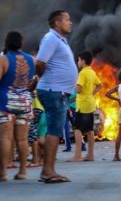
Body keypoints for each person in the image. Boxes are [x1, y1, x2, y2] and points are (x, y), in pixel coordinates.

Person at [31, 10, 78, 183]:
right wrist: (40, 79)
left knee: (55, 130)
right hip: (54, 91)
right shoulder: (50, 38)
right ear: (57, 23)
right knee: (54, 131)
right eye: (67, 20)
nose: (70, 23)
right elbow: (40, 62)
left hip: (57, 91)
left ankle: (48, 170)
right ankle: (48, 171)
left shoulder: (60, 40)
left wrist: (37, 81)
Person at [0, 31, 35, 181]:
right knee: (22, 139)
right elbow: (38, 78)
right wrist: (29, 88)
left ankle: (3, 172)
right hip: (25, 102)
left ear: (7, 43)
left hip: (6, 102)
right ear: (21, 43)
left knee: (5, 138)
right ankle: (22, 171)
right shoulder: (32, 60)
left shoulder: (3, 60)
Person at [67, 51, 101, 162]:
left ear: (83, 61)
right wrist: (92, 93)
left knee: (77, 129)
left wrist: (74, 87)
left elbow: (79, 89)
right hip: (91, 104)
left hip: (83, 105)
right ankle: (90, 155)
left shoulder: (82, 73)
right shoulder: (92, 72)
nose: (78, 62)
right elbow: (99, 85)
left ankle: (77, 156)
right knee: (90, 130)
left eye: (78, 60)